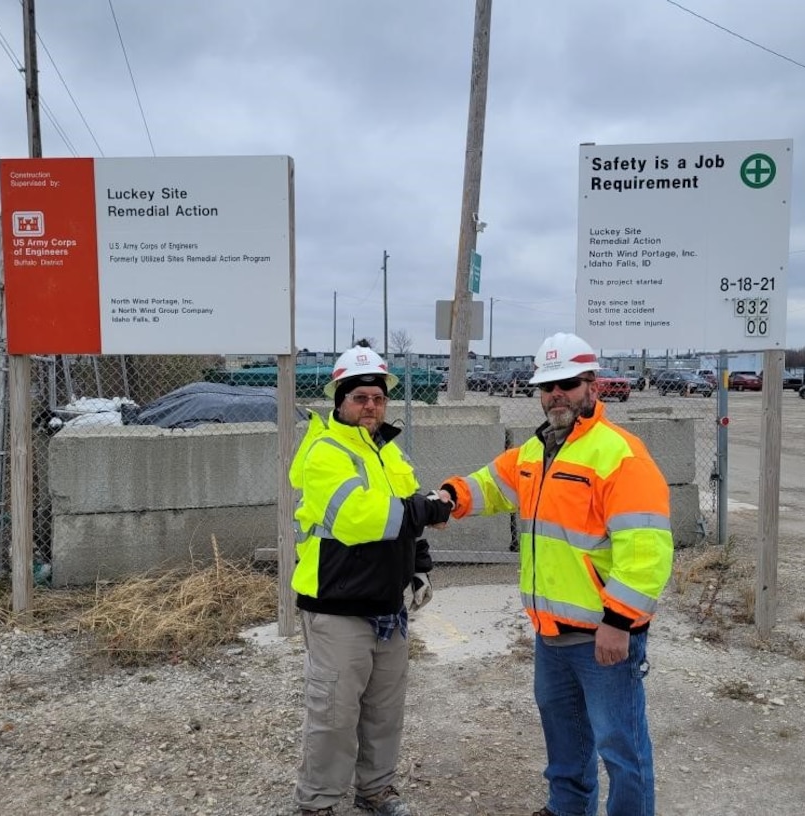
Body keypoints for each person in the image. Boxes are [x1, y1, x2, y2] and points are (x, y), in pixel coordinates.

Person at [439, 332, 674, 816]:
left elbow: (646, 549)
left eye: (566, 383)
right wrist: (449, 498)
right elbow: (492, 485)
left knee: (621, 748)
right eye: (547, 386)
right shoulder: (536, 450)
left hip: (602, 636)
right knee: (564, 739)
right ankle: (568, 809)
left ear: (593, 385)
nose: (555, 395)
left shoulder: (619, 455)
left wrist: (620, 620)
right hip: (551, 634)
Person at [288, 345, 453, 816]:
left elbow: (405, 512)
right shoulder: (325, 452)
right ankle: (318, 802)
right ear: (340, 400)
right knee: (335, 714)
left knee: (384, 711)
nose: (371, 407)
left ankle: (375, 791)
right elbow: (360, 517)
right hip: (337, 604)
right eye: (361, 397)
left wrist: (419, 564)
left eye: (378, 399)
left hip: (387, 604)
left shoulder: (388, 452)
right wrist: (428, 509)